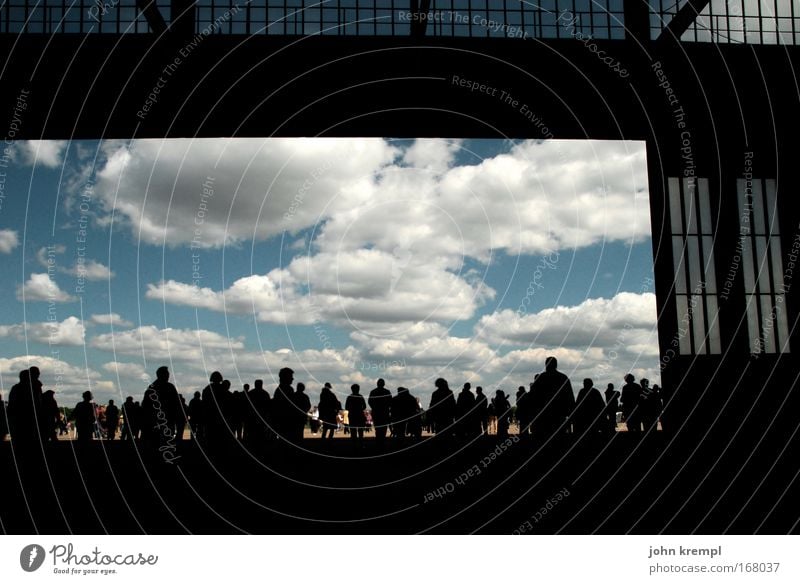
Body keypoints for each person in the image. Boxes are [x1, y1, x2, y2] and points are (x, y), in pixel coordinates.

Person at [529, 357, 575, 438]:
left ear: (546, 365)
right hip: (559, 414)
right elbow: (569, 397)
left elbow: (533, 398)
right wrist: (571, 412)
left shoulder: (541, 378)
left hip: (543, 415)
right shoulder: (563, 378)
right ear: (556, 365)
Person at [142, 366, 180, 445]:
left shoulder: (152, 388)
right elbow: (176, 404)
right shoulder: (170, 387)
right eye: (167, 375)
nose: (168, 376)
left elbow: (145, 406)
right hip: (167, 419)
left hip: (155, 420)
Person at [7, 369, 40, 444]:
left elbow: (11, 405)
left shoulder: (15, 388)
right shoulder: (32, 388)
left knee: (17, 439)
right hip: (28, 418)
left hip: (17, 418)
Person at [202, 371, 231, 445]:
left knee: (210, 437)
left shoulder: (207, 389)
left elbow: (204, 404)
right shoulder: (223, 389)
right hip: (221, 417)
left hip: (209, 416)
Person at [244, 379, 271, 447]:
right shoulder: (265, 394)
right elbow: (268, 407)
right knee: (261, 437)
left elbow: (247, 407)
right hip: (262, 418)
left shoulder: (250, 393)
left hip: (251, 418)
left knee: (251, 437)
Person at [271, 368, 295, 443]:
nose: (292, 378)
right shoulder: (288, 390)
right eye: (291, 376)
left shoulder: (279, 390)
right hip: (286, 420)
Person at [368, 378, 392, 445]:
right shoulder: (387, 392)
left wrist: (374, 407)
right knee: (384, 428)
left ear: (377, 384)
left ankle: (378, 440)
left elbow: (370, 401)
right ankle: (382, 441)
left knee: (377, 429)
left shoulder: (373, 392)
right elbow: (390, 402)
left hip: (376, 412)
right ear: (384, 384)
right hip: (384, 412)